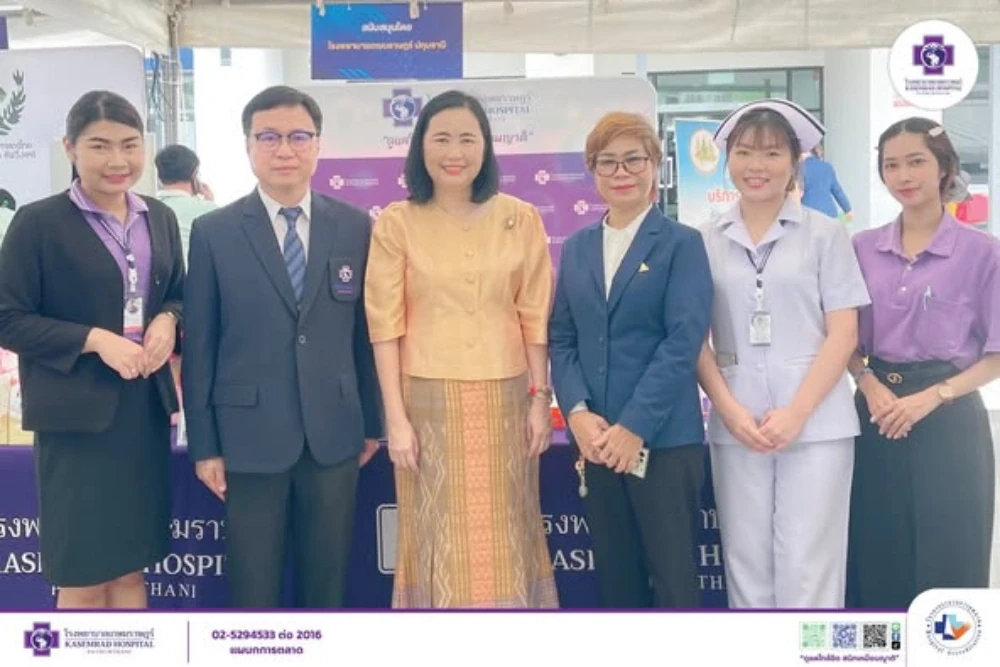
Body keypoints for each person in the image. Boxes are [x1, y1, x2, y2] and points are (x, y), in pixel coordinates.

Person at [182, 85, 383, 608]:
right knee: (254, 587)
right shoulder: (214, 232)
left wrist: (372, 422)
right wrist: (205, 445)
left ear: (318, 144)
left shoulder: (356, 226)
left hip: (335, 435)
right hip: (248, 438)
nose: (284, 150)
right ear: (248, 146)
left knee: (328, 582)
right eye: (268, 137)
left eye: (298, 136)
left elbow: (366, 334)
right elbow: (201, 345)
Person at [364, 90, 558, 608]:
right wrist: (396, 419)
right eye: (442, 138)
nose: (455, 151)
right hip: (427, 404)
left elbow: (535, 318)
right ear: (421, 148)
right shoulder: (396, 223)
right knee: (437, 534)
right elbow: (385, 327)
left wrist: (541, 400)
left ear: (486, 148)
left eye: (467, 138)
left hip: (507, 400)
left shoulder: (521, 217)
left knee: (508, 529)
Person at [0, 90, 184, 609]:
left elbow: (177, 291)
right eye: (100, 146)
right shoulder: (39, 223)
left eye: (130, 145)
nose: (117, 161)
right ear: (70, 148)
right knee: (83, 573)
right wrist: (94, 339)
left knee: (131, 566)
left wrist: (169, 319)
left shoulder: (159, 218)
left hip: (142, 410)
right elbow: (8, 317)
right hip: (76, 417)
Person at [696, 100, 870, 609]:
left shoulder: (825, 234)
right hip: (737, 422)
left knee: (808, 564)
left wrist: (796, 413)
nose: (757, 165)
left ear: (796, 161)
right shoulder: (705, 239)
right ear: (727, 158)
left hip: (817, 424)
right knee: (745, 561)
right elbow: (693, 339)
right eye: (745, 151)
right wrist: (728, 413)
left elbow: (844, 333)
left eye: (772, 153)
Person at [549, 112, 713, 608]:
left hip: (662, 442)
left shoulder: (682, 243)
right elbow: (562, 337)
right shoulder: (577, 247)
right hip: (597, 443)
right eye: (607, 162)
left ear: (655, 166)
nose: (621, 172)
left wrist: (634, 427)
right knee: (616, 581)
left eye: (634, 160)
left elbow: (683, 341)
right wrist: (577, 414)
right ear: (593, 171)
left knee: (672, 582)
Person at [846, 118, 999, 609]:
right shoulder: (862, 249)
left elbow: (996, 354)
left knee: (950, 556)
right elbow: (844, 340)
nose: (903, 175)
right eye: (891, 164)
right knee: (874, 550)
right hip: (877, 411)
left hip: (950, 416)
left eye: (916, 161)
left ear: (944, 168)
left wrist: (933, 397)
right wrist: (868, 384)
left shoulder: (983, 253)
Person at [154, 144, 218, 261]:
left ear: (159, 177)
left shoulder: (149, 208)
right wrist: (210, 203)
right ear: (194, 174)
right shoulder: (209, 210)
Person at [799, 143, 853, 221]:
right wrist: (848, 209)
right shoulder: (827, 166)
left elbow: (797, 193)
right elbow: (838, 191)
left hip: (809, 214)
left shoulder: (799, 168)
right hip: (830, 213)